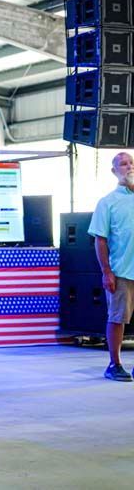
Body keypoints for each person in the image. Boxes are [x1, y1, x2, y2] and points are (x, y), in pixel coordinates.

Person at [88, 152, 134, 382]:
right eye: (123, 164)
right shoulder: (107, 202)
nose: (129, 167)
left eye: (132, 163)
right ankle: (114, 364)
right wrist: (107, 271)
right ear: (114, 171)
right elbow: (101, 239)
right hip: (122, 270)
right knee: (117, 317)